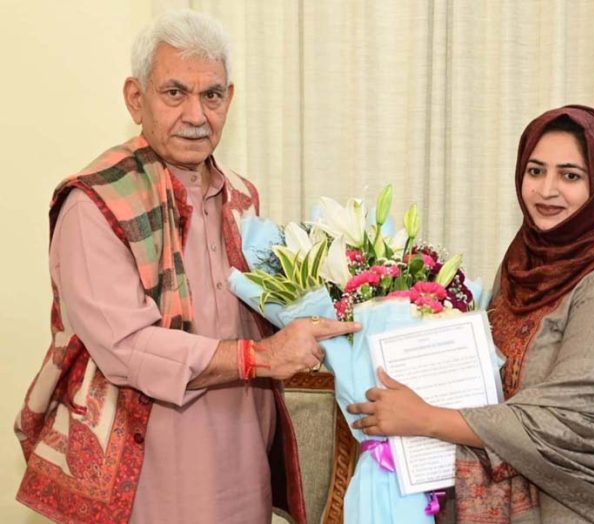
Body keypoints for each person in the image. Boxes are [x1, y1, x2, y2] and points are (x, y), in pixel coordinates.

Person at [14, 9, 359, 524]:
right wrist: (259, 358)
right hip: (147, 471)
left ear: (230, 99)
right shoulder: (95, 203)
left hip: (243, 461)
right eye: (175, 93)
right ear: (137, 99)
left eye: (212, 95)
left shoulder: (241, 196)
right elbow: (128, 349)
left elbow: (262, 309)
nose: (197, 114)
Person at [348, 105, 594, 523]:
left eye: (570, 175)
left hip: (582, 505)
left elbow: (566, 422)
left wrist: (426, 419)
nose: (546, 190)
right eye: (535, 171)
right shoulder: (523, 265)